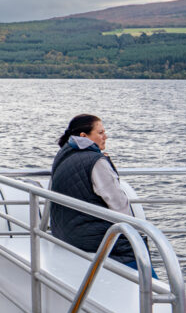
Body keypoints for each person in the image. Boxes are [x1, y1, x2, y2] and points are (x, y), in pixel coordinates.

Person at [49, 114, 145, 271]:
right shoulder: (96, 161)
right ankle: (151, 292)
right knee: (134, 246)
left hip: (63, 232)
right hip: (88, 238)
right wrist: (131, 232)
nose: (105, 136)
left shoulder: (63, 154)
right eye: (100, 133)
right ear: (83, 136)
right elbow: (119, 205)